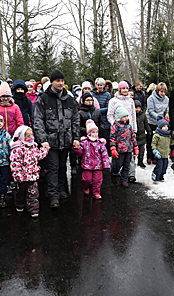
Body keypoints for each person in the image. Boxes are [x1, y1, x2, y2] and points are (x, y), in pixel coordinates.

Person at [34, 69, 80, 208]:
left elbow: (75, 119)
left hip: (66, 139)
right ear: (52, 82)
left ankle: (61, 189)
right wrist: (43, 139)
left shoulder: (70, 99)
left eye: (62, 81)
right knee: (53, 167)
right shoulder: (43, 99)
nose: (60, 83)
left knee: (62, 166)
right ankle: (53, 195)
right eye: (57, 81)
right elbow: (38, 120)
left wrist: (76, 137)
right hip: (51, 140)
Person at [10, 126, 49, 217]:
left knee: (33, 193)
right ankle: (19, 204)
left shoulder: (34, 146)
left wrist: (44, 151)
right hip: (22, 176)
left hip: (33, 175)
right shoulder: (18, 148)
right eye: (28, 136)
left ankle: (34, 209)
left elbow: (38, 156)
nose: (31, 137)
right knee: (20, 192)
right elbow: (15, 163)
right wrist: (17, 175)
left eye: (32, 135)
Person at [107, 81, 138, 182]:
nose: (125, 90)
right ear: (119, 89)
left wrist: (134, 129)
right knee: (118, 156)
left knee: (130, 153)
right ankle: (114, 171)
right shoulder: (113, 101)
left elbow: (133, 115)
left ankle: (130, 174)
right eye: (123, 88)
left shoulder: (131, 101)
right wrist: (115, 125)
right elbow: (110, 115)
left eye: (126, 88)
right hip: (118, 131)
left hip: (129, 130)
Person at [73, 120, 110, 199]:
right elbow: (80, 152)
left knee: (97, 180)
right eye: (93, 132)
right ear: (89, 133)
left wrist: (106, 164)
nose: (95, 134)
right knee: (87, 179)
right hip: (87, 165)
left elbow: (104, 154)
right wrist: (77, 148)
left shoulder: (100, 143)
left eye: (96, 132)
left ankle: (96, 193)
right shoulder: (85, 142)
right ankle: (85, 187)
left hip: (98, 166)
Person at [110, 107, 138, 188]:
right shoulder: (116, 126)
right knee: (118, 165)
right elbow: (112, 137)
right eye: (124, 116)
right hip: (119, 149)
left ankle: (124, 180)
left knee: (127, 166)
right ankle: (114, 173)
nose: (126, 118)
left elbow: (132, 137)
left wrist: (135, 147)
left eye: (127, 116)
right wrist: (113, 148)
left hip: (128, 149)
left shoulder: (129, 126)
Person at [145, 82, 169, 165]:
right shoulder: (151, 99)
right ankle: (149, 156)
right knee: (150, 139)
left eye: (164, 92)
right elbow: (150, 111)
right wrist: (157, 116)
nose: (162, 93)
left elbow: (166, 110)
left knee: (158, 140)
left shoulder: (166, 99)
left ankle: (155, 156)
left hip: (160, 123)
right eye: (161, 91)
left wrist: (166, 117)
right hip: (151, 121)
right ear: (157, 91)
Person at [135, 100, 151, 168]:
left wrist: (149, 131)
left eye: (139, 107)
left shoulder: (143, 115)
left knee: (142, 150)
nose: (137, 109)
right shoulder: (132, 115)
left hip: (142, 135)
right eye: (136, 108)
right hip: (135, 136)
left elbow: (146, 124)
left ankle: (140, 161)